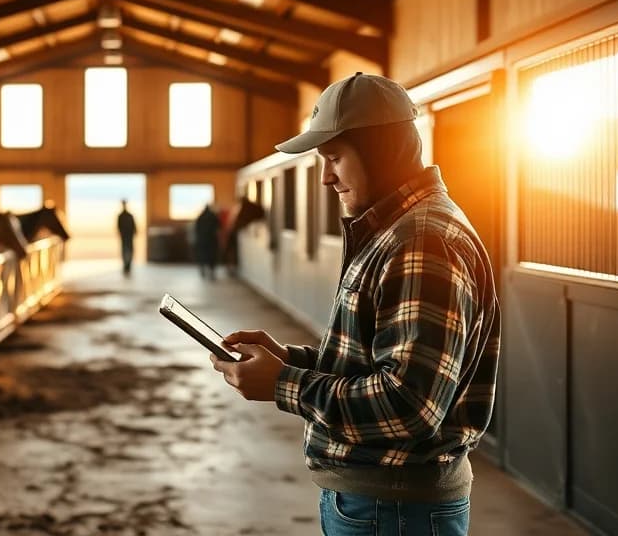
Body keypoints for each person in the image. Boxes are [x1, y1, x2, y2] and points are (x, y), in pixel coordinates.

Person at [209, 72, 501, 536]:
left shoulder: (421, 241)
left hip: (394, 509)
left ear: (381, 152)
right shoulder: (397, 230)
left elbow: (409, 406)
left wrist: (285, 383)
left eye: (335, 158)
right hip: (385, 501)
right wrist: (294, 360)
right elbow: (377, 361)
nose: (325, 177)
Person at [193, 203, 220, 278]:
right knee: (212, 255)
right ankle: (211, 271)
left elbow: (196, 229)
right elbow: (218, 227)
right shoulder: (213, 216)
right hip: (211, 240)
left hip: (202, 240)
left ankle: (202, 269)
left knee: (202, 255)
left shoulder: (200, 217)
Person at [116, 199, 136, 276]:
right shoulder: (121, 216)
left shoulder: (129, 215)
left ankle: (128, 265)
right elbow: (118, 227)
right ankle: (126, 265)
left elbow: (134, 226)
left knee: (129, 250)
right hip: (125, 236)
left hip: (129, 235)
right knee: (125, 250)